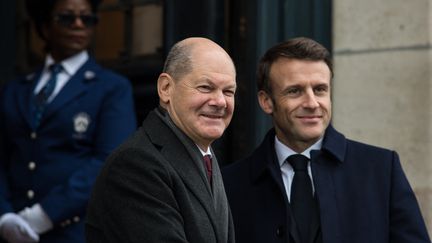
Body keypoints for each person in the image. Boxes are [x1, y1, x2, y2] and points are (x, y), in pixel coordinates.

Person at [222, 37, 431, 243]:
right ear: (266, 101)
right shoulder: (230, 184)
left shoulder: (382, 170)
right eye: (295, 91)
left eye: (320, 90)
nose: (312, 103)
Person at [0, 0, 137, 242]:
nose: (78, 24)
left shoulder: (111, 88)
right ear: (44, 26)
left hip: (74, 232)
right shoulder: (16, 90)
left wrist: (42, 216)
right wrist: (5, 216)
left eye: (87, 19)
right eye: (66, 17)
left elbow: (109, 161)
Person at [85, 37, 237, 243]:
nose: (220, 102)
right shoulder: (136, 163)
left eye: (228, 91)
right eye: (205, 87)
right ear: (166, 88)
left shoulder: (203, 154)